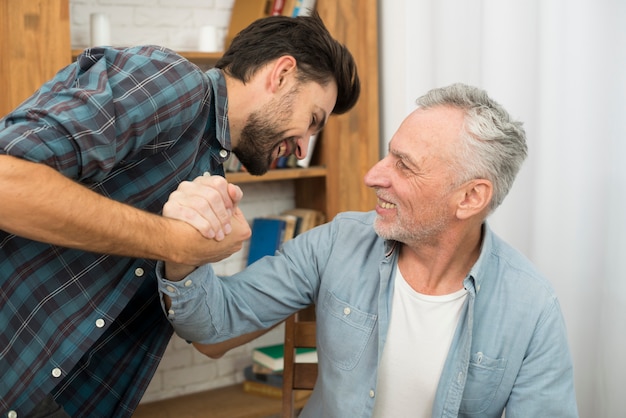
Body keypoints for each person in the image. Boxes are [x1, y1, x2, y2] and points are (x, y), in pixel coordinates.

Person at [0, 12, 360, 418]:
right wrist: (175, 241)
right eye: (312, 121)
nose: (302, 148)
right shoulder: (173, 81)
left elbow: (210, 337)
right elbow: (6, 181)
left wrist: (189, 263)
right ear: (281, 74)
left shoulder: (210, 171)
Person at [158, 83, 579, 417]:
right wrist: (183, 249)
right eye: (387, 155)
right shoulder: (339, 241)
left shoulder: (532, 306)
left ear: (470, 198)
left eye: (404, 165)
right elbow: (214, 327)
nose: (373, 176)